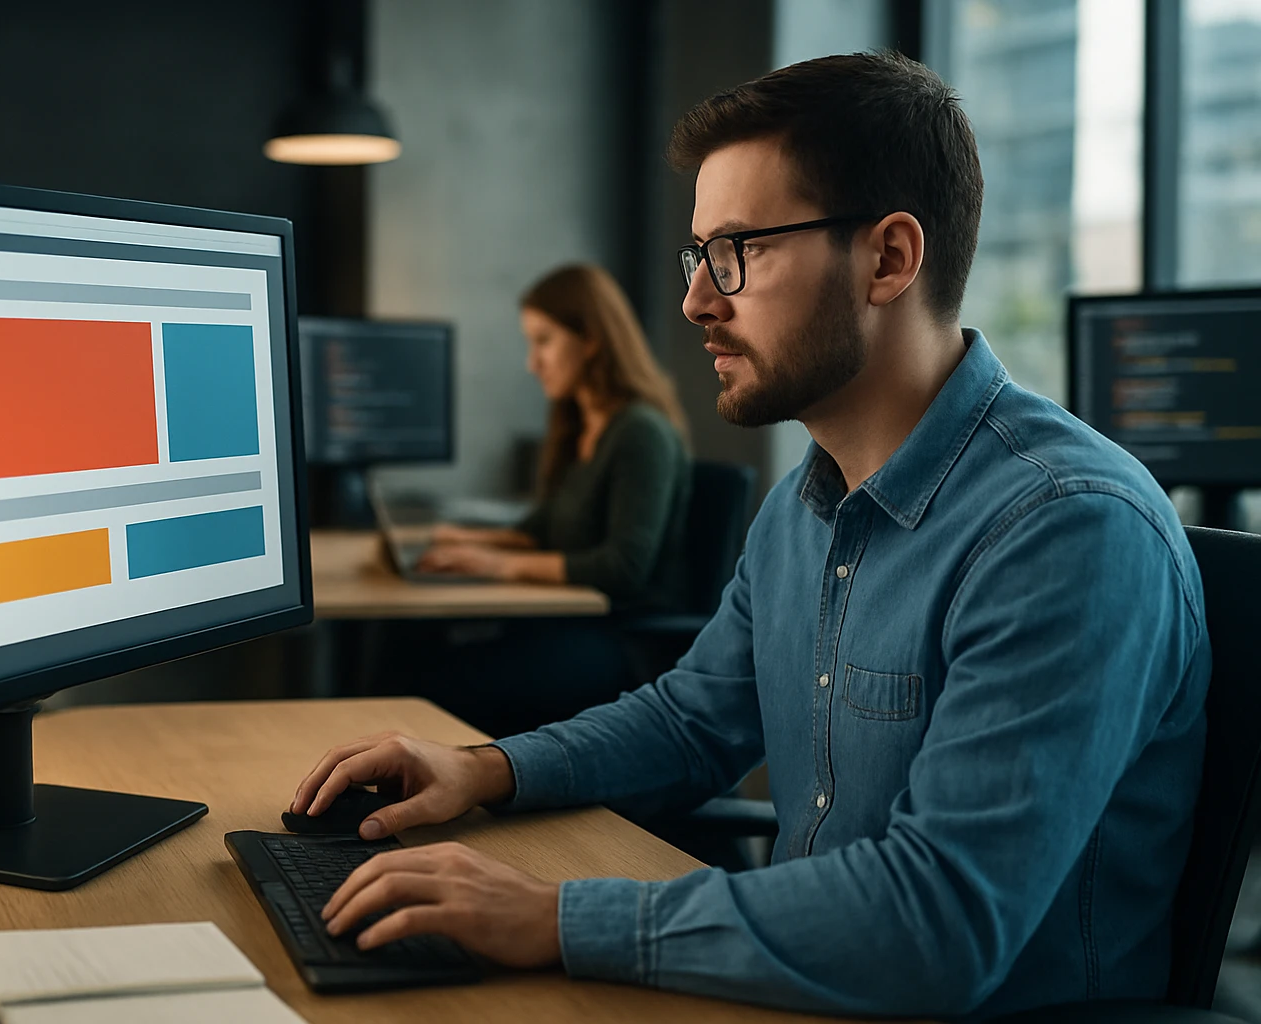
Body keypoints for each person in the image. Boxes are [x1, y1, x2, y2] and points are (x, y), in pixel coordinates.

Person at [290, 51, 1210, 1019]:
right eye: (698, 255)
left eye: (740, 251)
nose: (696, 301)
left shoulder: (1066, 531)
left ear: (890, 259)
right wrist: (485, 769)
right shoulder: (803, 506)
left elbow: (936, 926)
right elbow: (692, 720)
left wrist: (555, 917)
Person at [418, 263, 692, 614]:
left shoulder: (641, 432)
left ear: (590, 339)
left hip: (622, 632)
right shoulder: (578, 423)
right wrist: (464, 541)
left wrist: (497, 565)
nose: (532, 363)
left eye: (543, 341)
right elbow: (542, 528)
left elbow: (624, 568)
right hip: (573, 614)